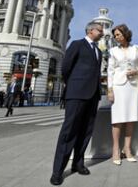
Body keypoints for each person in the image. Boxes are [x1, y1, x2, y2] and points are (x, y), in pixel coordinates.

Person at [50, 22, 103, 186]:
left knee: (86, 131)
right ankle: (58, 171)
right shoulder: (77, 44)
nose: (102, 33)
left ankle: (78, 163)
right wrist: (74, 84)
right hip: (77, 93)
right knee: (69, 131)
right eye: (99, 30)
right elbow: (66, 68)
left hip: (93, 95)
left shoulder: (99, 51)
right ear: (90, 30)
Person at [107, 24, 138, 165]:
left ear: (125, 34)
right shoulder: (113, 51)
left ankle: (127, 149)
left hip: (133, 86)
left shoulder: (137, 49)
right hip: (118, 86)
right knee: (117, 119)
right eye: (115, 35)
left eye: (118, 34)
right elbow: (110, 71)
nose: (116, 37)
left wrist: (136, 71)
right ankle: (115, 149)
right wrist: (110, 90)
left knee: (131, 118)